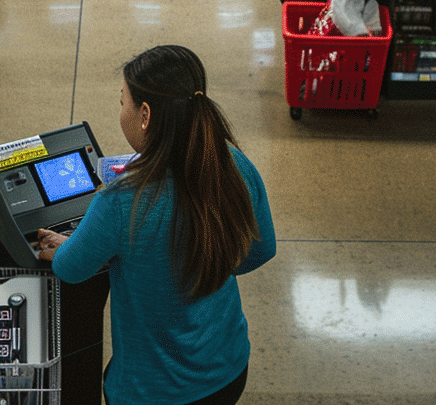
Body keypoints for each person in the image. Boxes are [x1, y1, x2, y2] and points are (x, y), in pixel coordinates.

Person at [35, 45, 276, 405]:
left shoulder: (121, 199)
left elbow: (70, 268)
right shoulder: (234, 164)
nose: (122, 111)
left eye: (123, 103)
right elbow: (261, 250)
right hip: (227, 371)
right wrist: (203, 260)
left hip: (151, 392)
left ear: (145, 114)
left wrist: (77, 246)